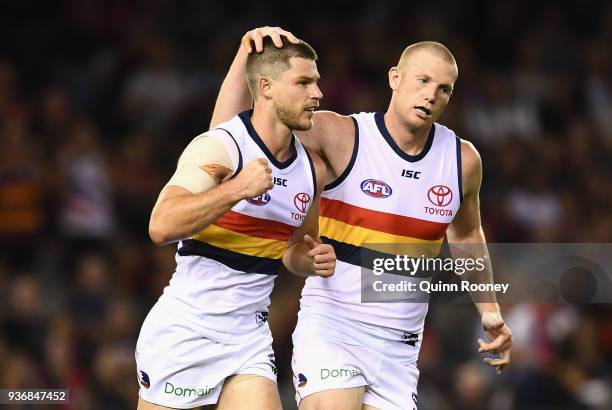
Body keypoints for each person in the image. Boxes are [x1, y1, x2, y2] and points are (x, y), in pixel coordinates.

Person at [211, 27, 513, 410]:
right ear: (395, 78)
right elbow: (226, 141)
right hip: (335, 328)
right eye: (423, 81)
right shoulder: (340, 134)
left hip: (401, 346)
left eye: (444, 89)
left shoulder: (462, 160)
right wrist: (243, 59)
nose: (431, 95)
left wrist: (489, 310)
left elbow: (467, 234)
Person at [136, 36, 336, 410]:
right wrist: (235, 190)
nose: (318, 93)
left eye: (317, 81)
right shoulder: (220, 147)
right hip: (186, 330)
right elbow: (160, 226)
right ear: (266, 88)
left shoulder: (312, 170)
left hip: (248, 338)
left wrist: (306, 261)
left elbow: (294, 247)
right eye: (304, 83)